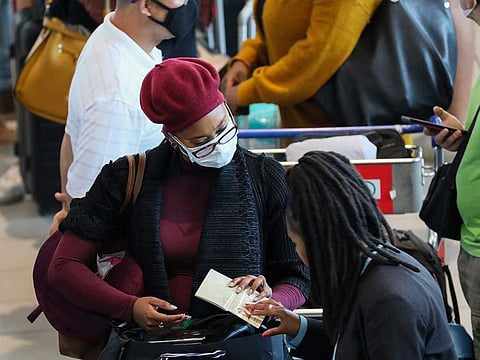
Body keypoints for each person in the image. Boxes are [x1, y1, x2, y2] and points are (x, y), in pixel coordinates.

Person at [48, 57, 310, 358]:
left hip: (243, 344)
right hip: (153, 346)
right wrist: (129, 306)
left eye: (223, 127)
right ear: (171, 138)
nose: (218, 144)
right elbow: (63, 267)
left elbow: (298, 275)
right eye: (200, 141)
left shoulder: (264, 176)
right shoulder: (126, 178)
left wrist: (271, 301)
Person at [245, 151, 457, 359]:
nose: (298, 256)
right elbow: (355, 346)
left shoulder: (388, 300)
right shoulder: (380, 265)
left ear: (318, 240)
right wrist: (298, 327)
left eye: (295, 243)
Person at [49, 0, 199, 234]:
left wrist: (68, 206)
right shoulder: (118, 95)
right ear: (147, 5)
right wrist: (71, 219)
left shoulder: (111, 34)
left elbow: (70, 135)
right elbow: (92, 202)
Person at [220, 0, 382, 128]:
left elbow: (316, 58)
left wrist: (244, 93)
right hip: (304, 129)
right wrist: (246, 61)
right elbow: (278, 28)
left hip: (345, 135)